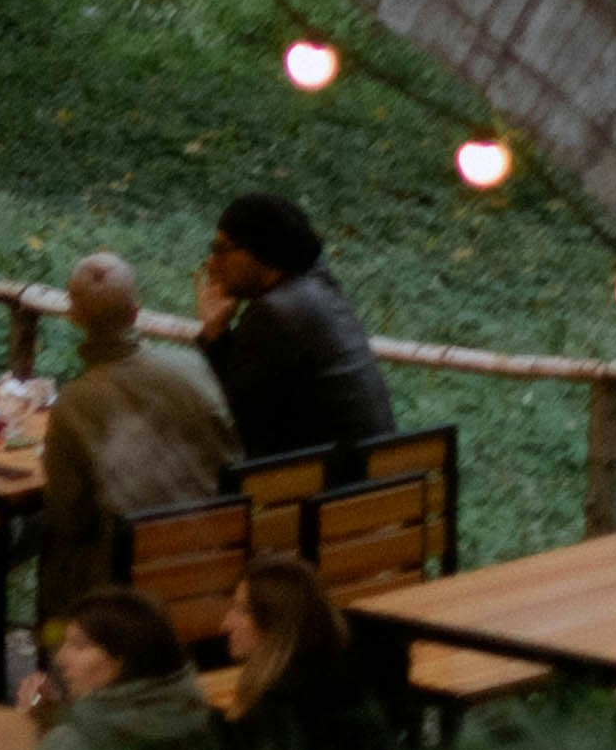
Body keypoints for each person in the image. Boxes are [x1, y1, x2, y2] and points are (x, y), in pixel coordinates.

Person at [31, 255, 237, 617]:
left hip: (129, 587)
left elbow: (67, 518)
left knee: (56, 549)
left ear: (73, 316)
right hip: (216, 563)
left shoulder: (75, 403)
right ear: (136, 311)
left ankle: (57, 662)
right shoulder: (194, 366)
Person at [190, 192, 397, 467]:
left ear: (259, 250)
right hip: (374, 485)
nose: (211, 265)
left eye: (221, 249)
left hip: (331, 494)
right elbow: (253, 400)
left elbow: (229, 414)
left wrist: (214, 334)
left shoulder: (276, 312)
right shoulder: (319, 289)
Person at [0, 589, 223, 750]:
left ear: (123, 659)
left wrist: (25, 735)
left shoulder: (73, 743)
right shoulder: (195, 713)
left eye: (79, 646)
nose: (60, 659)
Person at [198, 555, 397, 750]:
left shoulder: (277, 709)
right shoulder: (352, 675)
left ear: (279, 621)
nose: (226, 625)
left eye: (243, 611)